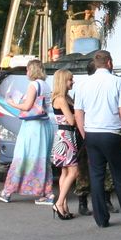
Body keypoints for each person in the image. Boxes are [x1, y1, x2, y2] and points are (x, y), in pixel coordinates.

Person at [74, 50, 121, 227]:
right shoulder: (117, 82)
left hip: (92, 134)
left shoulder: (83, 84)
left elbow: (79, 113)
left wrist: (85, 133)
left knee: (96, 176)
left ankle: (101, 219)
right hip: (112, 134)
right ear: (109, 63)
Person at [0, 59, 55, 204]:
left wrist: (12, 103)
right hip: (44, 125)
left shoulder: (33, 85)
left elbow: (27, 106)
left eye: (27, 70)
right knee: (42, 159)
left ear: (32, 70)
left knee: (22, 157)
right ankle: (47, 192)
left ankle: (7, 191)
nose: (26, 73)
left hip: (32, 126)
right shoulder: (45, 85)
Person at [48, 69, 81, 219]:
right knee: (73, 172)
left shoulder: (65, 97)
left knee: (65, 172)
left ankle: (64, 206)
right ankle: (59, 203)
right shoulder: (61, 99)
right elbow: (72, 120)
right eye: (70, 79)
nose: (73, 81)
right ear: (63, 81)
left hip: (65, 136)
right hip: (66, 136)